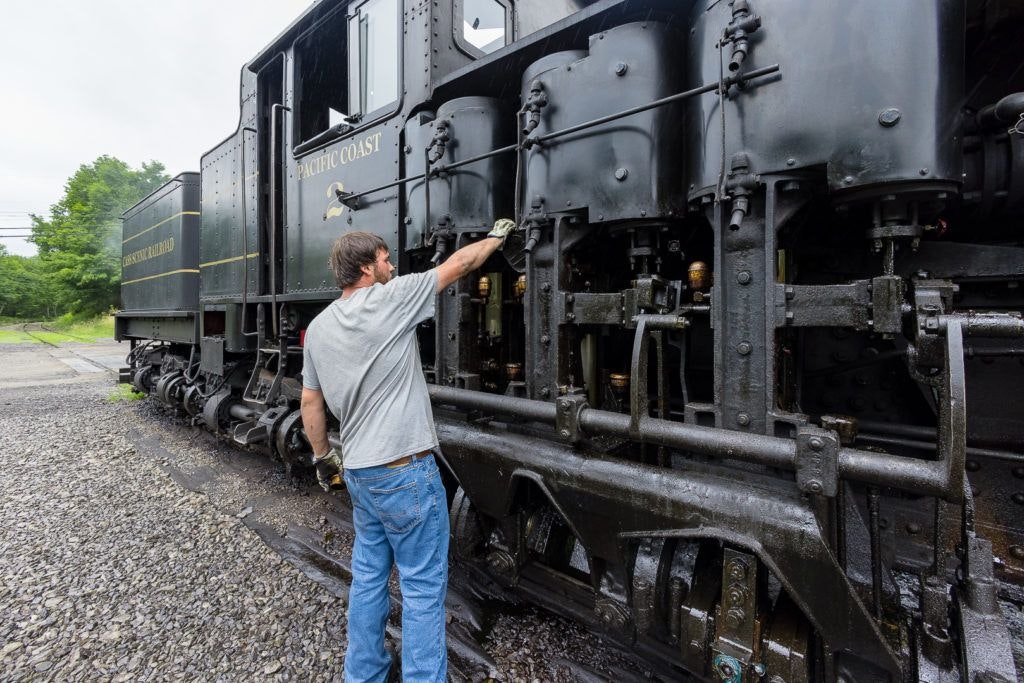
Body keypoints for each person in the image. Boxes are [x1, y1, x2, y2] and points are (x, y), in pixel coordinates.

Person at [299, 219, 516, 683]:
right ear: (365, 268)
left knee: (369, 576)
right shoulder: (391, 299)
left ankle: (364, 674)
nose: (392, 266)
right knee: (421, 587)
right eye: (384, 259)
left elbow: (310, 401)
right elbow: (459, 263)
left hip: (358, 470)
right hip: (405, 472)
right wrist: (498, 237)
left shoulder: (317, 329)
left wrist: (323, 458)